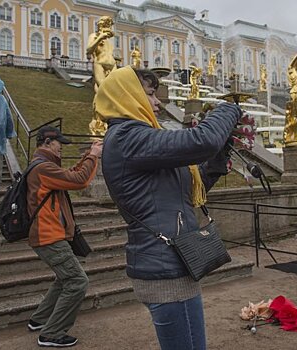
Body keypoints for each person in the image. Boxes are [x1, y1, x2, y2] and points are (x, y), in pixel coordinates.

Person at [97, 66, 241, 350]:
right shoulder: (127, 137)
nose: (158, 101)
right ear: (129, 96)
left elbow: (185, 193)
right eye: (150, 93)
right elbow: (203, 140)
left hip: (177, 261)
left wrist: (215, 163)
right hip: (164, 269)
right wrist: (228, 109)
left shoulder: (137, 138)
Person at [26, 126, 103, 348]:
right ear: (48, 142)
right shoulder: (43, 168)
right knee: (77, 281)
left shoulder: (42, 166)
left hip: (49, 235)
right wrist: (93, 156)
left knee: (64, 278)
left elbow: (70, 175)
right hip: (49, 236)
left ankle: (39, 320)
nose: (62, 147)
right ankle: (52, 333)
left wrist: (87, 158)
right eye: (59, 143)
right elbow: (79, 181)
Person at [86, 15, 116, 136]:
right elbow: (88, 50)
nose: (108, 27)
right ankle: (97, 121)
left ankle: (108, 121)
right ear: (100, 25)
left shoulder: (109, 41)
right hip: (99, 64)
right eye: (105, 25)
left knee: (113, 94)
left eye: (109, 25)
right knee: (101, 91)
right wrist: (99, 38)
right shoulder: (94, 36)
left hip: (112, 65)